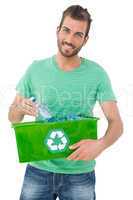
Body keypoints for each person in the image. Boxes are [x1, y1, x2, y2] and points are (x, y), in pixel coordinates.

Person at [8, 5, 123, 200]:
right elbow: (13, 118)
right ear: (57, 30)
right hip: (38, 170)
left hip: (80, 175)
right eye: (66, 30)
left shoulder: (97, 74)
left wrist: (101, 144)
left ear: (85, 40)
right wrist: (18, 108)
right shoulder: (35, 70)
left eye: (78, 34)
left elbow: (116, 123)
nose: (70, 39)